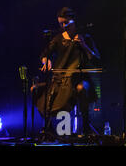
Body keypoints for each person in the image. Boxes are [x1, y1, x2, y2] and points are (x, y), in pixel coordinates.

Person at [35, 7, 100, 136]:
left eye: (66, 23)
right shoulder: (58, 39)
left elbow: (97, 60)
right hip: (59, 78)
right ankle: (49, 128)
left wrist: (84, 46)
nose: (63, 26)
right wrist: (45, 61)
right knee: (34, 89)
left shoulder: (84, 37)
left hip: (79, 77)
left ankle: (86, 127)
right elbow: (44, 54)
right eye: (60, 23)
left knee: (81, 88)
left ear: (73, 20)